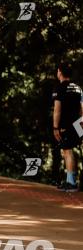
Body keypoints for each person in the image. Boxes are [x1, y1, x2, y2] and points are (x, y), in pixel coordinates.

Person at [52, 62, 83, 192]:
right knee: (76, 151)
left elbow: (57, 110)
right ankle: (73, 180)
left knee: (67, 151)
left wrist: (55, 127)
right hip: (79, 123)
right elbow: (82, 109)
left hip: (66, 125)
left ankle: (71, 183)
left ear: (59, 72)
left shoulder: (59, 88)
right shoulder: (78, 88)